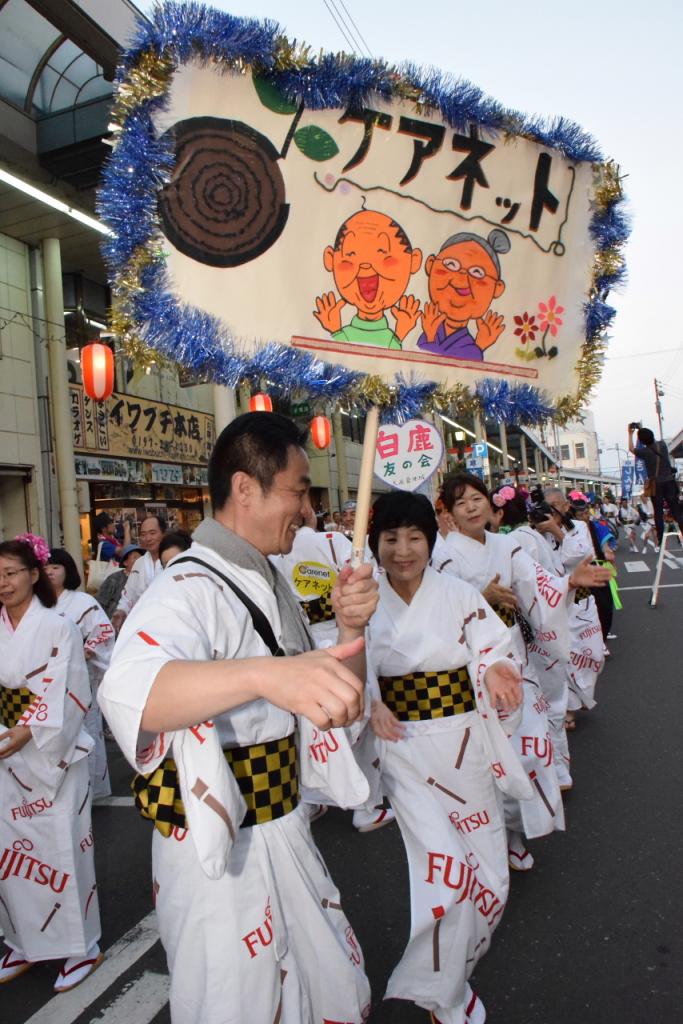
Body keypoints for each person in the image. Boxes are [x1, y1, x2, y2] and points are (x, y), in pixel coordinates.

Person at [99, 412, 377, 1024]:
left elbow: (333, 708)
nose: (306, 511)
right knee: (236, 1004)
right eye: (298, 491)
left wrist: (351, 630)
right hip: (219, 848)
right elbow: (131, 692)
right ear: (245, 488)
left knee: (308, 991)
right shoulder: (187, 587)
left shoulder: (262, 576)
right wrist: (266, 675)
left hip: (281, 825)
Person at [366, 490, 528, 1024]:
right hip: (405, 750)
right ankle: (447, 996)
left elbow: (491, 646)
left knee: (490, 880)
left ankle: (452, 979)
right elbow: (346, 660)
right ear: (376, 543)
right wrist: (371, 702)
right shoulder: (363, 601)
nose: (403, 550)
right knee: (448, 873)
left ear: (430, 542)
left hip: (464, 744)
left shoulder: (457, 594)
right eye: (391, 538)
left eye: (414, 537)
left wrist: (496, 671)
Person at [441, 476, 609, 867]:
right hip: (468, 664)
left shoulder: (507, 546)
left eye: (477, 498)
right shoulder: (443, 555)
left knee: (526, 751)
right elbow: (440, 608)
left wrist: (569, 582)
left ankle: (515, 833)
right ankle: (490, 838)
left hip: (513, 656)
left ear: (490, 505)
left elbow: (539, 585)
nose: (471, 507)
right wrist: (478, 599)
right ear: (449, 513)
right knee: (482, 760)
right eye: (460, 502)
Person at [0, 535, 102, 990]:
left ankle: (83, 947)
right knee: (11, 856)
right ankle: (23, 941)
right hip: (4, 752)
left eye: (10, 573)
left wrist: (21, 734)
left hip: (47, 752)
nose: (2, 583)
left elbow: (66, 689)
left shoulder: (58, 624)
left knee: (61, 848)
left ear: (34, 574)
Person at [45, 549, 114, 800]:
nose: (49, 572)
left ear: (67, 571)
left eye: (55, 567)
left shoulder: (83, 602)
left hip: (77, 678)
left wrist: (86, 651)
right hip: (44, 681)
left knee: (85, 729)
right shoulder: (34, 604)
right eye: (44, 567)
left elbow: (104, 631)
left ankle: (89, 789)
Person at [543, 488, 608, 725]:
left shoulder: (578, 528)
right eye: (548, 505)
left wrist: (556, 531)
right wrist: (545, 530)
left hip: (582, 601)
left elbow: (583, 556)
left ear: (565, 505)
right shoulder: (536, 532)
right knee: (563, 656)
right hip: (557, 603)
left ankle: (580, 697)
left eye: (557, 504)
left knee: (594, 654)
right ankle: (567, 708)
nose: (553, 510)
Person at [314, 209, 423, 348]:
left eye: (384, 254)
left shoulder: (391, 338)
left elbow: (391, 359)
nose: (365, 266)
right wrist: (334, 330)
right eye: (350, 255)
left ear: (414, 261)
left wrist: (401, 332)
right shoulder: (344, 333)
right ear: (330, 260)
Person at [417, 230, 510, 360]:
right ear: (430, 264)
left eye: (477, 272)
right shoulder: (431, 330)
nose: (461, 280)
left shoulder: (467, 346)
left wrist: (430, 337)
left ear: (497, 288)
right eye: (451, 264)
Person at [628, 425, 683, 544]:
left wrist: (630, 433)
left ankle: (661, 538)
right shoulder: (662, 445)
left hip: (656, 485)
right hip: (669, 482)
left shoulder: (645, 452)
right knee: (676, 509)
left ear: (641, 441)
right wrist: (641, 428)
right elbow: (650, 439)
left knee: (658, 512)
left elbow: (631, 449)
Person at [111, 514, 166, 633]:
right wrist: (121, 610)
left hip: (168, 621)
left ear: (164, 534)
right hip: (143, 624)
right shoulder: (139, 563)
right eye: (143, 534)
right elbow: (128, 594)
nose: (148, 538)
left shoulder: (173, 560)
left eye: (152, 533)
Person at [95, 543, 144, 619]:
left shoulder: (144, 577)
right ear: (125, 562)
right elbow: (100, 602)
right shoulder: (114, 579)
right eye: (134, 557)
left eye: (140, 558)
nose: (138, 560)